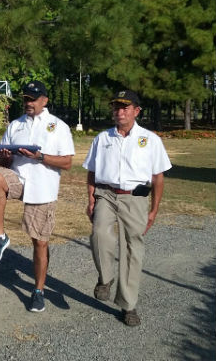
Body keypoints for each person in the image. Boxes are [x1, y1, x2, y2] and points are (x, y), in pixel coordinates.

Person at [83, 90, 171, 327]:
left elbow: (158, 177)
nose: (119, 112)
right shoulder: (103, 138)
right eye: (116, 107)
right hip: (107, 194)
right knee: (99, 233)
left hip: (136, 198)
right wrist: (91, 199)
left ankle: (129, 305)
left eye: (125, 107)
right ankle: (106, 278)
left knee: (133, 250)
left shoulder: (150, 140)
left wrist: (153, 210)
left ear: (136, 111)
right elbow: (91, 171)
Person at [0, 80, 74, 312]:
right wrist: (4, 156)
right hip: (18, 179)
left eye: (33, 99)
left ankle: (38, 291)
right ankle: (0, 237)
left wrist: (40, 157)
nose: (28, 103)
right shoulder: (15, 125)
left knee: (40, 242)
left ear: (44, 100)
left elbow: (67, 162)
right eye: (25, 98)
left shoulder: (58, 126)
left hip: (42, 186)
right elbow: (5, 161)